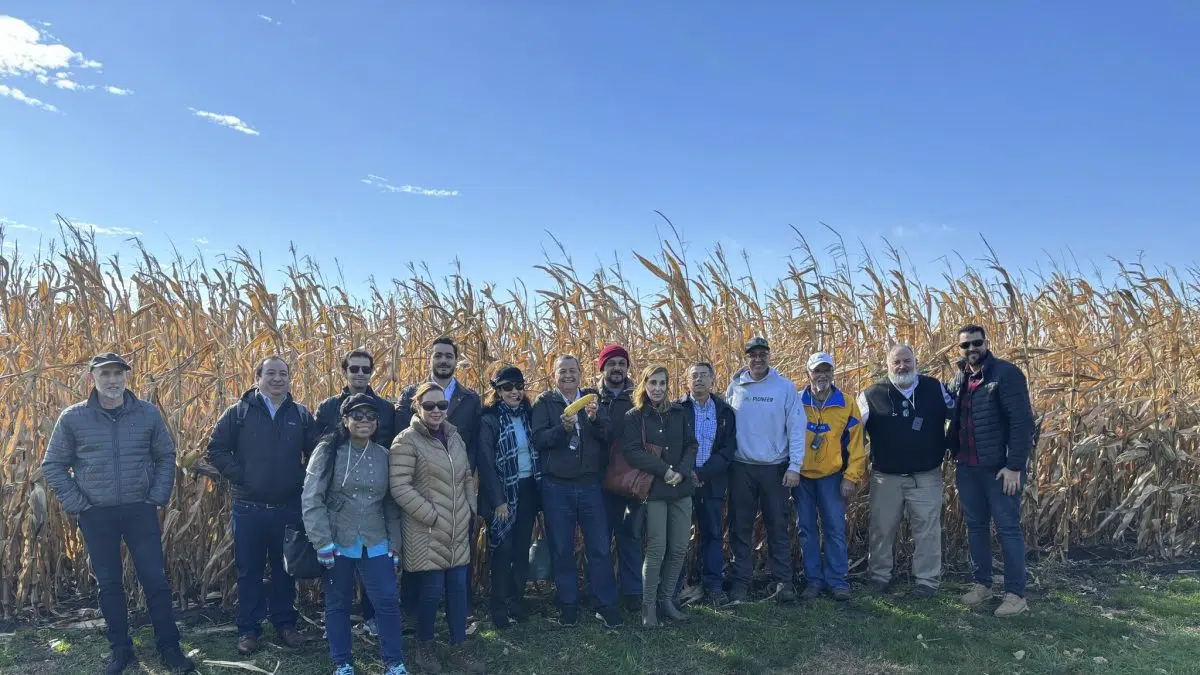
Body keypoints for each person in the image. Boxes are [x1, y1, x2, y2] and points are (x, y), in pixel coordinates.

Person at [41, 353, 196, 675]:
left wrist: (155, 497)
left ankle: (169, 647)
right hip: (96, 514)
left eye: (118, 373)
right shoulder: (73, 418)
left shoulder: (147, 414)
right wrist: (78, 504)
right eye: (105, 374)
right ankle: (120, 649)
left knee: (155, 580)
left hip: (139, 510)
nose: (112, 380)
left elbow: (166, 456)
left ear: (126, 376)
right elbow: (53, 465)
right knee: (109, 584)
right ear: (93, 378)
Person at [205, 355, 315, 654]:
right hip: (249, 508)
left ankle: (285, 625)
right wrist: (241, 476)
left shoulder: (301, 414)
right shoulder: (238, 413)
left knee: (284, 570)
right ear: (258, 377)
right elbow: (215, 448)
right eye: (271, 373)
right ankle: (249, 630)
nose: (278, 379)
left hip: (287, 508)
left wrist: (299, 480)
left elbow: (316, 454)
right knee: (248, 571)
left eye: (283, 373)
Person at [302, 394, 407, 675]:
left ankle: (394, 663)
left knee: (386, 600)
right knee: (338, 602)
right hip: (338, 538)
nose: (364, 421)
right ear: (345, 420)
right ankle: (343, 663)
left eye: (370, 416)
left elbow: (390, 504)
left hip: (375, 539)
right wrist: (322, 542)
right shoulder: (328, 451)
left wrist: (394, 544)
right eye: (357, 416)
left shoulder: (384, 455)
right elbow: (312, 498)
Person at [390, 383, 486, 674]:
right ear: (417, 407)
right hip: (427, 530)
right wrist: (430, 514)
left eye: (441, 406)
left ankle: (459, 646)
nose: (435, 411)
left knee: (458, 589)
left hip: (457, 527)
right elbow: (399, 486)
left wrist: (471, 507)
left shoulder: (454, 437)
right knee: (431, 591)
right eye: (429, 406)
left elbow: (466, 476)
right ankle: (425, 645)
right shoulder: (406, 441)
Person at [947, 324, 1036, 617]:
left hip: (999, 470)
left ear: (986, 343)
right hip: (968, 467)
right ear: (959, 349)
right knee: (976, 528)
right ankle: (982, 584)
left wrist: (1014, 466)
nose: (971, 349)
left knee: (1008, 528)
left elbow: (1022, 422)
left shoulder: (1006, 374)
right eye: (965, 345)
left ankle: (1015, 594)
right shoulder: (961, 377)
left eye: (976, 343)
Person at [530, 355, 624, 628]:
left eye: (573, 371)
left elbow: (608, 435)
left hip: (589, 484)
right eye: (563, 371)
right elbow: (538, 440)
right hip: (556, 486)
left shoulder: (592, 399)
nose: (569, 376)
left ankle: (604, 603)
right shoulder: (545, 402)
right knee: (562, 547)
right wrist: (562, 429)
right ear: (553, 374)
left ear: (580, 373)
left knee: (599, 546)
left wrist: (594, 420)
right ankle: (567, 604)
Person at [857, 345, 954, 598]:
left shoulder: (935, 388)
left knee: (927, 529)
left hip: (926, 477)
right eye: (896, 362)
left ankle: (927, 581)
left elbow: (959, 416)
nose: (902, 366)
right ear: (887, 366)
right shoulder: (871, 395)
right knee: (882, 528)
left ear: (915, 362)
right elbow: (853, 435)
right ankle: (879, 576)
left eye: (907, 361)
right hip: (885, 478)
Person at [395, 337, 483, 617]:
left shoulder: (470, 399)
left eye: (449, 356)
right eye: (438, 356)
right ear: (430, 359)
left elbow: (475, 445)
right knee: (420, 557)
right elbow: (402, 443)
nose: (444, 360)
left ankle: (460, 612)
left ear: (456, 361)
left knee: (459, 557)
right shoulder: (411, 394)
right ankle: (413, 615)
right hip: (425, 493)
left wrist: (470, 501)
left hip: (456, 493)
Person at [314, 348, 398, 637]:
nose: (360, 374)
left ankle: (372, 618)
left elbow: (393, 447)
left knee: (373, 567)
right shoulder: (327, 407)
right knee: (339, 569)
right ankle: (335, 621)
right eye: (354, 369)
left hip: (374, 497)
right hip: (339, 503)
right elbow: (317, 453)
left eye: (366, 369)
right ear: (345, 371)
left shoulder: (387, 408)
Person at [724, 336, 806, 603]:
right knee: (740, 528)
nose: (757, 359)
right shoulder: (736, 385)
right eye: (752, 355)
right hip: (742, 468)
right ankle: (741, 583)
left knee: (778, 527)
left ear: (769, 356)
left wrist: (794, 466)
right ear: (746, 358)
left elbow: (796, 427)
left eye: (762, 354)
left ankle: (784, 582)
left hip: (774, 469)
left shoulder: (784, 387)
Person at [622, 365, 698, 628]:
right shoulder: (635, 416)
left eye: (662, 383)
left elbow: (691, 445)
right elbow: (632, 452)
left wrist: (682, 471)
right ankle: (649, 607)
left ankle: (667, 601)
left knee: (678, 548)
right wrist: (665, 471)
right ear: (644, 384)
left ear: (668, 386)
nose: (657, 388)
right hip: (654, 491)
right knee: (656, 549)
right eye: (652, 383)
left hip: (681, 489)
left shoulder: (678, 412)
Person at [793, 352, 866, 602]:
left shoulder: (846, 403)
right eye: (817, 370)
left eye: (827, 370)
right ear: (808, 374)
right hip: (801, 478)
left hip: (832, 478)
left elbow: (857, 444)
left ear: (833, 373)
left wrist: (851, 477)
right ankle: (813, 580)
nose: (822, 375)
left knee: (835, 529)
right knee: (806, 529)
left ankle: (838, 581)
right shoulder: (796, 401)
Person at [477, 365, 541, 629]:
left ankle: (517, 603)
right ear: (497, 391)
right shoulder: (489, 420)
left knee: (521, 550)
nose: (514, 392)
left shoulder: (529, 414)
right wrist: (499, 500)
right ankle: (499, 608)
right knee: (502, 552)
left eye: (518, 386)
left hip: (527, 491)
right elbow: (486, 463)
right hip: (502, 495)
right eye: (507, 387)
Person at [675, 362, 737, 607]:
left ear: (713, 380)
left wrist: (703, 474)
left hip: (711, 483)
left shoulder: (724, 412)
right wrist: (687, 473)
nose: (699, 380)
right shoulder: (677, 410)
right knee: (678, 537)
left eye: (704, 376)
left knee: (712, 534)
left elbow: (727, 450)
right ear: (686, 382)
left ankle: (713, 585)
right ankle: (676, 586)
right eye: (694, 376)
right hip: (682, 484)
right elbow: (673, 446)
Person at [594, 344, 643, 613]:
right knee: (600, 541)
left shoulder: (637, 398)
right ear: (602, 368)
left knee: (630, 538)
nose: (617, 369)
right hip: (596, 483)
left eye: (622, 364)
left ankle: (633, 593)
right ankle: (602, 595)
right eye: (611, 363)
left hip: (628, 481)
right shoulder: (591, 398)